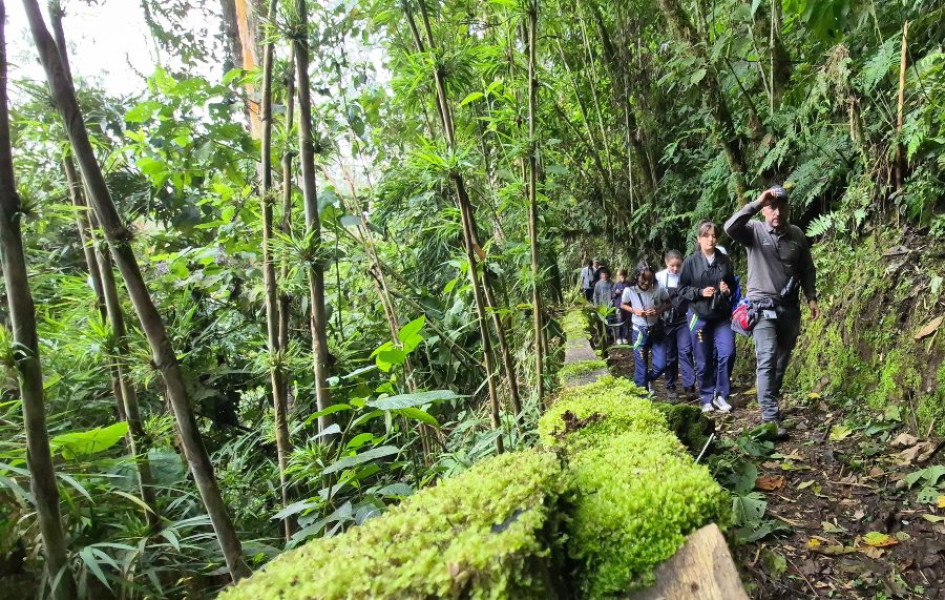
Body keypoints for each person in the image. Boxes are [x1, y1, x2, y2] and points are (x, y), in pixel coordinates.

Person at [724, 186, 819, 439]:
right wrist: (756, 202)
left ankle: (771, 401)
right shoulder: (754, 231)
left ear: (788, 208)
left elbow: (807, 269)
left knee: (781, 360)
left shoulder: (797, 235)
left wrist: (811, 297)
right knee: (766, 358)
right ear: (765, 210)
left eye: (780, 206)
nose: (776, 212)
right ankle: (769, 417)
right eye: (771, 207)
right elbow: (730, 228)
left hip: (789, 309)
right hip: (761, 308)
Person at [679, 221, 737, 414]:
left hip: (721, 314)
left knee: (727, 353)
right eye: (706, 235)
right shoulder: (691, 262)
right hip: (699, 315)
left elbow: (733, 287)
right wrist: (700, 292)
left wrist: (726, 290)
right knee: (703, 358)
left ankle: (721, 395)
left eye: (713, 236)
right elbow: (682, 289)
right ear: (699, 238)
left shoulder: (724, 260)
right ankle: (706, 397)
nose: (710, 239)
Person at [620, 262, 671, 391]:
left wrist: (658, 311)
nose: (647, 283)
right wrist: (635, 311)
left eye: (650, 280)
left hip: (656, 330)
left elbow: (669, 303)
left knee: (661, 365)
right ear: (637, 277)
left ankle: (648, 380)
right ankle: (642, 395)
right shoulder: (629, 290)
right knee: (641, 366)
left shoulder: (659, 289)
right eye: (644, 280)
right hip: (639, 332)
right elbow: (623, 304)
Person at [656, 250, 695, 400]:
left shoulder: (687, 276)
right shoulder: (659, 277)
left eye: (678, 265)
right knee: (670, 355)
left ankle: (689, 385)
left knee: (685, 351)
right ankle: (670, 386)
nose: (675, 269)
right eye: (672, 266)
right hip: (666, 322)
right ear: (666, 263)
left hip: (683, 320)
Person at [611, 269, 630, 345]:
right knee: (619, 321)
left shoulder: (629, 284)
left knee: (626, 322)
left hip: (627, 306)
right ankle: (619, 337)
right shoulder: (616, 285)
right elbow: (612, 296)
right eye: (620, 276)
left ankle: (625, 337)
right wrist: (616, 293)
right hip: (618, 306)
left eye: (623, 276)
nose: (622, 277)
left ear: (625, 276)